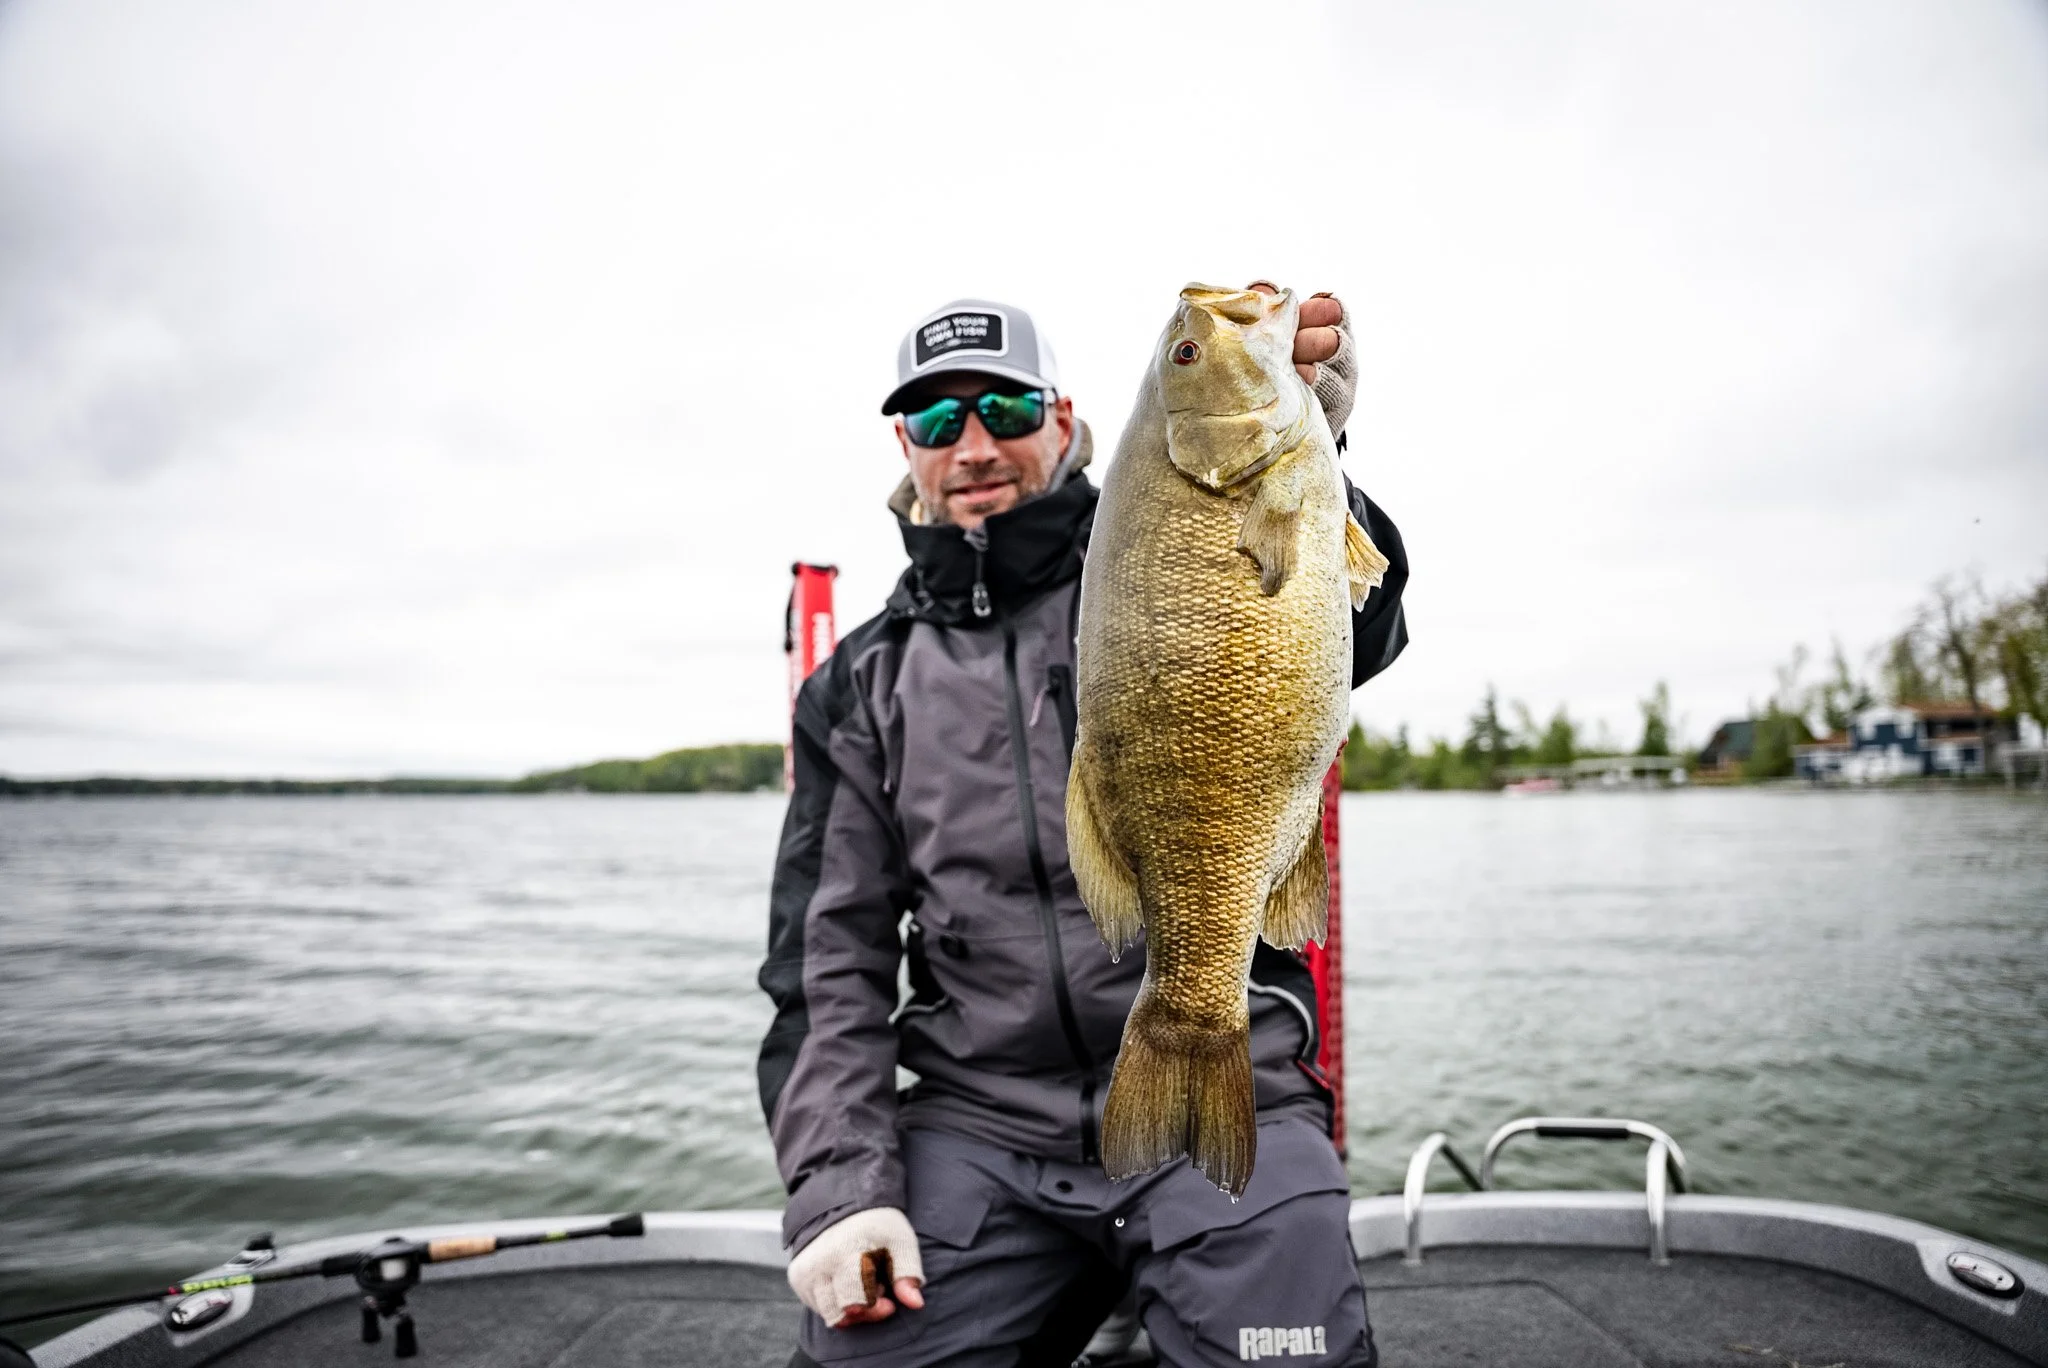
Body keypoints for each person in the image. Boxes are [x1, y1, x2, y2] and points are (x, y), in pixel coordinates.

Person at [758, 288, 1409, 1368]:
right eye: (934, 421)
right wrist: (839, 1195)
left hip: (1230, 1059)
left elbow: (1355, 622)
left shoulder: (1158, 537)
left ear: (1062, 418)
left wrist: (1323, 448)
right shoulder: (858, 687)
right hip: (977, 1122)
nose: (972, 446)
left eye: (1004, 411)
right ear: (903, 447)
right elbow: (831, 962)